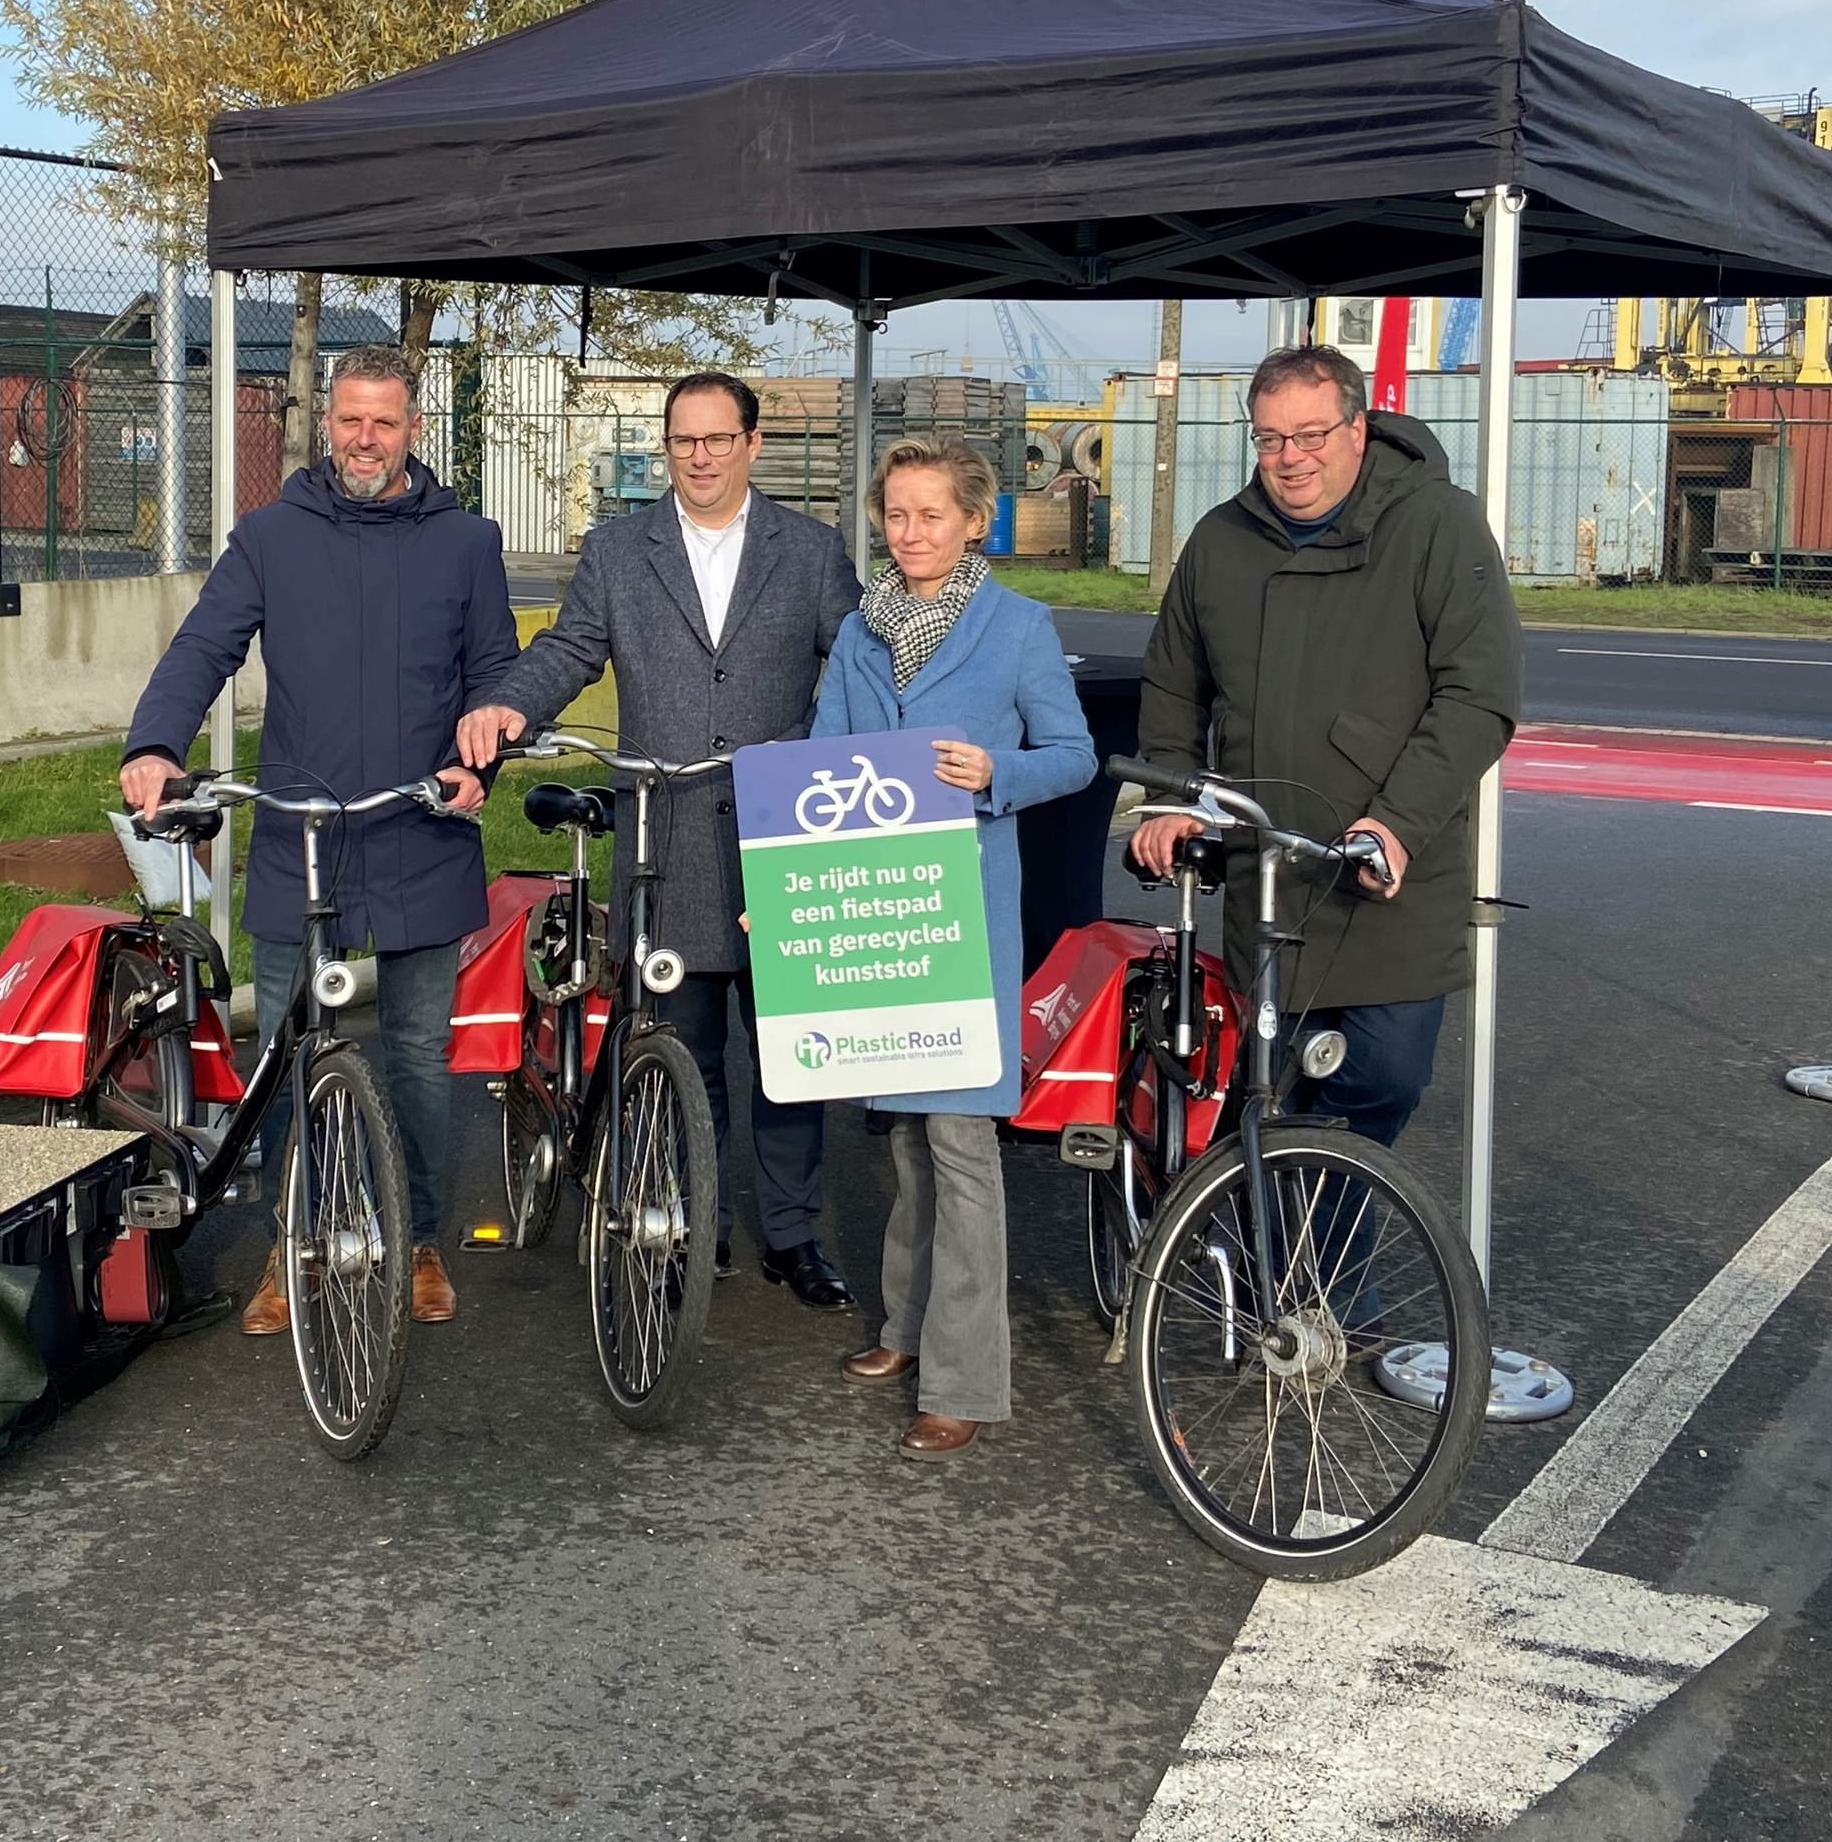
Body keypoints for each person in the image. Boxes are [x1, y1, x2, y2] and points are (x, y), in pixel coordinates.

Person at [121, 347, 510, 1335]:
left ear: (414, 427)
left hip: (423, 825)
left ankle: (419, 1238)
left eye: (385, 421)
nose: (366, 439)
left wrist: (484, 765)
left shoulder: (467, 542)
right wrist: (156, 743)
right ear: (326, 424)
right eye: (350, 421)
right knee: (292, 1054)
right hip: (304, 834)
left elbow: (495, 675)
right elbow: (206, 644)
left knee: (420, 1057)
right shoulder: (270, 537)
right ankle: (295, 1246)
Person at [456, 371, 867, 1306]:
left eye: (719, 440)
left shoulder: (809, 551)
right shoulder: (617, 548)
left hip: (781, 833)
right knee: (683, 1044)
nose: (700, 458)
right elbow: (568, 648)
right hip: (664, 831)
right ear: (666, 447)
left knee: (792, 1050)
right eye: (684, 441)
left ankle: (794, 1235)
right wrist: (506, 709)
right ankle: (694, 1222)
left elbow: (854, 668)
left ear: (753, 445)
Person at [1126, 343, 1522, 1154]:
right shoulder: (1220, 540)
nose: (1290, 458)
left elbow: (1479, 695)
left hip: (1382, 877)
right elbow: (1173, 684)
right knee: (1265, 1098)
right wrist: (1169, 799)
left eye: (1310, 434)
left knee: (1378, 1082)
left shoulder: (1438, 523)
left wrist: (1396, 824)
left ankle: (1318, 1271)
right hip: (1262, 875)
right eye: (1269, 438)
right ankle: (1278, 1268)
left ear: (1357, 428)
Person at [823, 438, 1095, 1458]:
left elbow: (1072, 757)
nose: (911, 532)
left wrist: (995, 772)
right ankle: (904, 1326)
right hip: (877, 911)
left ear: (975, 521)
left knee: (962, 1142)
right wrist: (790, 892)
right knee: (905, 1134)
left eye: (931, 514)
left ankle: (966, 1382)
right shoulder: (860, 633)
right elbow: (822, 765)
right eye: (895, 514)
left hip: (964, 915)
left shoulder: (1020, 628)